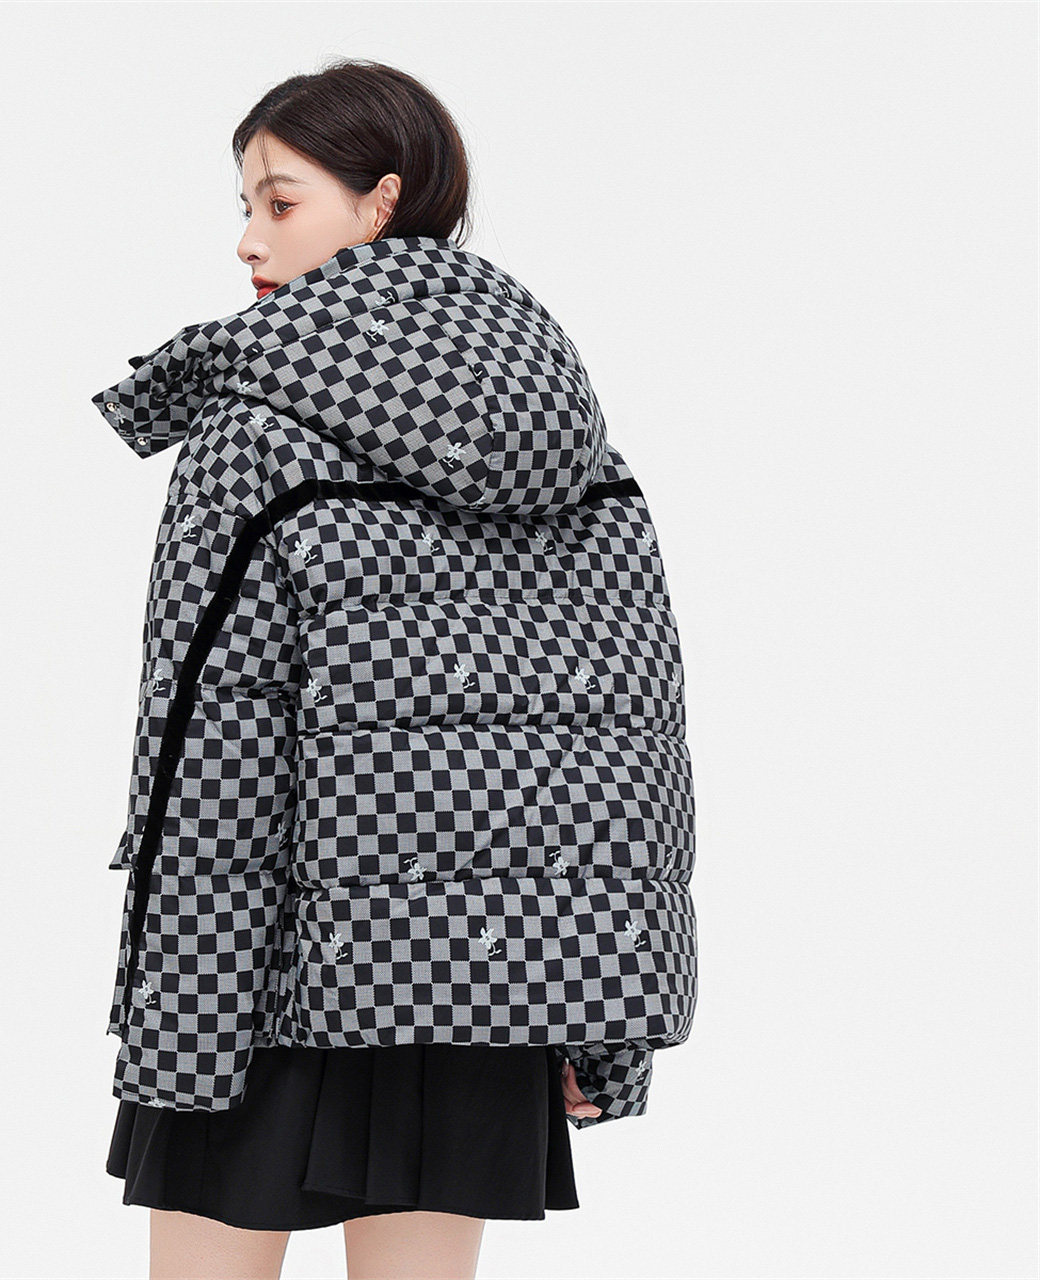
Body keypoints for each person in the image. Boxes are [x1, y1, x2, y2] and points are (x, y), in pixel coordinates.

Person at [92, 57, 698, 1280]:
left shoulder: (251, 435)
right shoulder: (576, 452)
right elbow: (619, 768)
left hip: (265, 981)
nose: (248, 238)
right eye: (246, 205)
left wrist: (180, 1026)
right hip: (485, 996)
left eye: (279, 201)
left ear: (381, 201)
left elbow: (210, 746)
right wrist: (600, 1028)